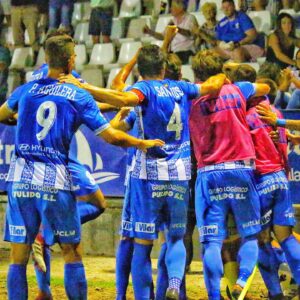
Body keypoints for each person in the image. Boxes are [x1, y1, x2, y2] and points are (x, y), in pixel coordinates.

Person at [0, 34, 164, 300]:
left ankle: (40, 277)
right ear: (70, 60)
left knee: (18, 256)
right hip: (55, 180)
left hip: (20, 181)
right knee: (71, 252)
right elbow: (112, 137)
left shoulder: (25, 90)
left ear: (45, 58)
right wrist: (143, 142)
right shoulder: (77, 94)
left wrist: (20, 122)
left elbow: (3, 115)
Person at [60, 44, 227, 300]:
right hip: (179, 175)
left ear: (141, 70)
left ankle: (138, 296)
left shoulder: (143, 91)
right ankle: (173, 282)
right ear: (164, 68)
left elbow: (123, 100)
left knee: (142, 243)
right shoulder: (181, 88)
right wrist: (224, 74)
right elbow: (211, 86)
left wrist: (85, 87)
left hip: (147, 177)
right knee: (176, 237)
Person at [189, 50, 270, 299]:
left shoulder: (189, 95)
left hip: (209, 173)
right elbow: (266, 86)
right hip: (240, 171)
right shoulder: (238, 89)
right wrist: (230, 72)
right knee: (249, 235)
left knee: (211, 242)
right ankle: (242, 281)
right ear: (220, 71)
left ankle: (214, 296)